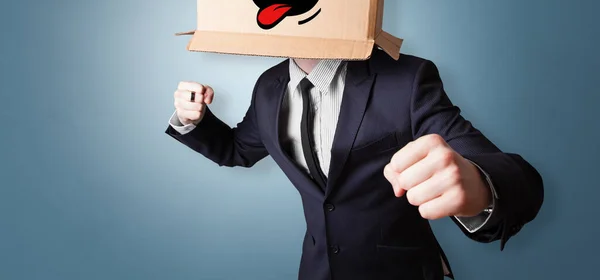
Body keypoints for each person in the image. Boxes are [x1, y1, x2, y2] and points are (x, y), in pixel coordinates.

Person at [165, 48, 543, 280]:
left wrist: (478, 186)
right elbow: (237, 150)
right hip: (316, 272)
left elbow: (511, 174)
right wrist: (194, 120)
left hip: (399, 273)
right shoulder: (269, 85)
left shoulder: (406, 77)